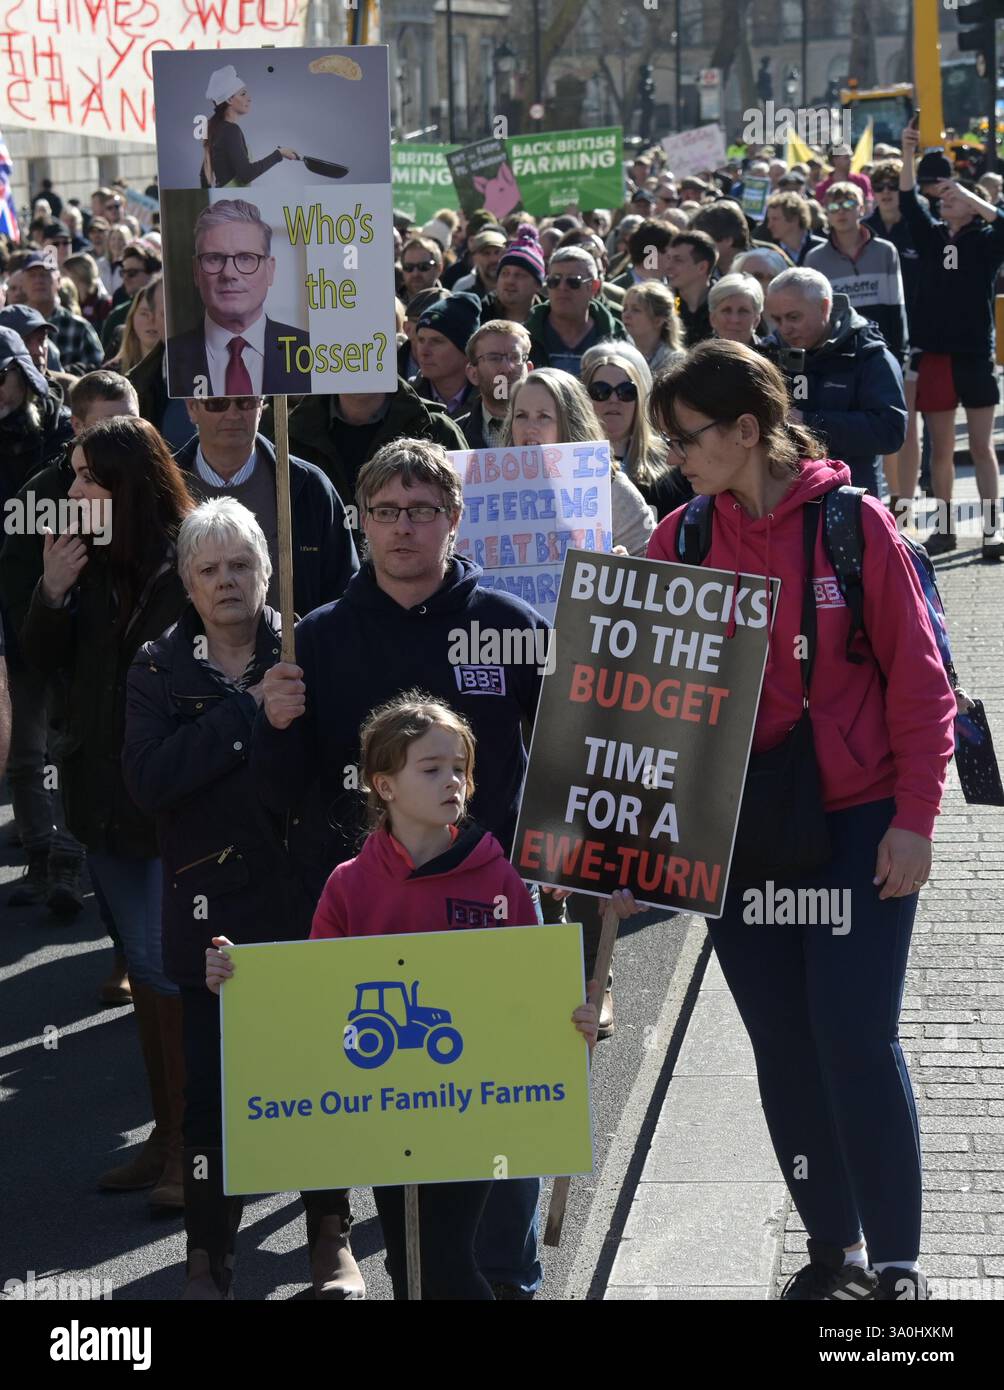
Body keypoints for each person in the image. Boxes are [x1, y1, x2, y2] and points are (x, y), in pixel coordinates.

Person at [647, 339, 956, 1301]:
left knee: (854, 1038)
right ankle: (839, 1253)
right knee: (782, 1046)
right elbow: (637, 695)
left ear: (748, 431)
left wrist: (915, 819)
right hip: (739, 835)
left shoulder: (853, 525)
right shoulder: (683, 537)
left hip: (860, 826)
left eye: (687, 438)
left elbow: (922, 686)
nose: (675, 459)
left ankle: (898, 1267)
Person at [251, 437, 553, 1298]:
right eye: (385, 512)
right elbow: (277, 795)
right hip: (374, 916)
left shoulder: (509, 624)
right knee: (405, 1152)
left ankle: (513, 1283)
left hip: (491, 904)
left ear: (454, 520)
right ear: (361, 523)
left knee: (510, 1118)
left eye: (423, 510)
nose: (403, 529)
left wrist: (567, 859)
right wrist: (270, 723)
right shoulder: (317, 638)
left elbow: (568, 756)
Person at [211, 690, 598, 1299]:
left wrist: (571, 1015)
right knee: (408, 1270)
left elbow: (538, 989)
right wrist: (239, 979)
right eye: (432, 768)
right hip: (386, 1117)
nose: (454, 782)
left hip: (474, 1110)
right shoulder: (348, 886)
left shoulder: (499, 878)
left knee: (443, 1263)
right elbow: (314, 996)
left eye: (461, 770)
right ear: (384, 785)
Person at [123, 497, 362, 1300]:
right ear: (187, 585)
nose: (226, 581)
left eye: (241, 566)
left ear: (268, 573)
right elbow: (149, 781)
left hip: (307, 898)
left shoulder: (312, 647)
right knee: (211, 1098)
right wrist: (244, 713)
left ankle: (330, 1238)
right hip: (210, 909)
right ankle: (206, 1256)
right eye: (208, 569)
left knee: (319, 1078)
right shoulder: (157, 668)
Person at [19, 416, 195, 1207]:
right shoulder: (79, 559)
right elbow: (39, 663)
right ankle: (168, 1136)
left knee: (167, 970)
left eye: (91, 476)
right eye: (75, 473)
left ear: (131, 484)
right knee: (151, 974)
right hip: (101, 804)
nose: (75, 489)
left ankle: (191, 1151)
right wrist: (51, 591)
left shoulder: (191, 554)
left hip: (172, 803)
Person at [0, 371, 138, 941]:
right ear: (77, 427)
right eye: (105, 427)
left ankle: (80, 865)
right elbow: (16, 582)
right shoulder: (41, 494)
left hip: (115, 662)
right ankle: (47, 857)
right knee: (35, 757)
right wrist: (43, 626)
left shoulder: (152, 481)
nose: (118, 440)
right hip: (45, 651)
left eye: (130, 424)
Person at [899, 123, 1004, 559]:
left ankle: (993, 530)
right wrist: (908, 153)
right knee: (941, 448)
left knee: (980, 445)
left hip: (975, 353)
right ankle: (943, 528)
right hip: (936, 353)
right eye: (942, 199)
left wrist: (972, 196)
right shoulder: (932, 236)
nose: (945, 202)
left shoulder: (985, 240)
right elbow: (907, 201)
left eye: (952, 198)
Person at [177, 394, 359, 614]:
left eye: (246, 401)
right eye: (217, 403)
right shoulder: (161, 487)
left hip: (298, 647)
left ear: (261, 406)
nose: (233, 414)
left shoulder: (308, 486)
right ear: (191, 407)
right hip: (191, 647)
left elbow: (344, 592)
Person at [764, 266, 906, 496]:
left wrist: (810, 422)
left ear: (824, 307)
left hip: (849, 497)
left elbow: (890, 431)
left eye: (793, 317)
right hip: (785, 497)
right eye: (777, 319)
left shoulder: (870, 356)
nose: (785, 328)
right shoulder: (770, 353)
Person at [504, 367, 654, 558]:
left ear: (570, 421)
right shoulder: (490, 490)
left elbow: (649, 571)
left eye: (544, 416)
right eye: (521, 416)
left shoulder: (611, 489)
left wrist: (622, 567)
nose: (530, 428)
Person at [166, 199, 309, 396]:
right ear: (195, 271)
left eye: (245, 258)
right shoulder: (168, 358)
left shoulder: (311, 352)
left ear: (270, 270)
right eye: (214, 258)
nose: (229, 273)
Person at [864, 158, 923, 519]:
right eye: (880, 187)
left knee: (908, 423)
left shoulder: (919, 228)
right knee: (879, 424)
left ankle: (905, 507)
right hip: (869, 345)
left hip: (912, 340)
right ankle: (885, 506)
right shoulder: (864, 229)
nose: (887, 193)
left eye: (893, 186)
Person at [805, 181, 908, 367]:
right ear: (826, 213)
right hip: (837, 354)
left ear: (862, 209)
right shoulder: (815, 258)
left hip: (881, 348)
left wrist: (900, 353)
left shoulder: (885, 250)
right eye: (834, 207)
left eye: (848, 205)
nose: (841, 212)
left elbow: (896, 304)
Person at [580, 344, 684, 520]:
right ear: (585, 398)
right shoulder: (567, 462)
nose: (613, 399)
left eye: (626, 392)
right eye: (601, 391)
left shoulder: (671, 463)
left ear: (640, 399)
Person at [524, 246, 626, 376]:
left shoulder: (617, 339)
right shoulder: (524, 337)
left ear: (594, 287)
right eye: (554, 280)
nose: (562, 287)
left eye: (573, 281)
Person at [200, 64, 301, 188]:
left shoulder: (217, 129)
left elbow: (204, 175)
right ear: (229, 100)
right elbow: (246, 174)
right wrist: (279, 154)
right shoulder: (230, 131)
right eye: (243, 94)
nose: (249, 98)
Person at [21, 252, 104, 375]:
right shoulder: (12, 325)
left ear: (59, 281)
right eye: (32, 275)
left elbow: (98, 373)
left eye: (44, 275)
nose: (38, 280)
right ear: (23, 284)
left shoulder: (80, 327)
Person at [457, 319, 532, 449]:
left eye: (515, 357)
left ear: (529, 370)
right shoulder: (455, 434)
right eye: (494, 358)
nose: (507, 368)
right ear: (473, 374)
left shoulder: (555, 428)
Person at [410, 292, 481, 418]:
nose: (424, 351)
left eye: (436, 341)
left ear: (466, 349)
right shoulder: (406, 397)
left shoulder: (492, 398)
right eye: (421, 340)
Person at [484, 226, 545, 325]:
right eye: (505, 273)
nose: (510, 281)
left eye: (519, 275)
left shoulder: (551, 320)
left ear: (538, 285)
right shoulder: (479, 315)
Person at [666, 231, 717, 346]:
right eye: (668, 258)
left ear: (702, 267)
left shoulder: (725, 303)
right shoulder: (665, 304)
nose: (668, 266)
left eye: (678, 260)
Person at [621, 280, 683, 376]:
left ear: (658, 320)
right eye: (625, 309)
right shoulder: (619, 354)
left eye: (636, 310)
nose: (626, 315)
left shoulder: (676, 363)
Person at [107, 274, 164, 376]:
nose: (151, 320)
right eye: (144, 313)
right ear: (132, 318)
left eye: (159, 313)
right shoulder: (112, 370)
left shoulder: (175, 371)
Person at [764, 191, 826, 265]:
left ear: (794, 219)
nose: (769, 225)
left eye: (775, 219)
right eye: (769, 219)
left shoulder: (824, 250)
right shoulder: (769, 253)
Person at [610, 219, 674, 288]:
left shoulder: (676, 289)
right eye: (669, 255)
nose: (674, 260)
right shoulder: (615, 290)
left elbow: (678, 299)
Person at [708, 272, 766, 347]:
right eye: (727, 311)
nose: (734, 320)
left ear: (756, 320)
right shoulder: (700, 357)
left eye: (743, 311)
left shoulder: (772, 357)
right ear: (713, 318)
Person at [451, 227, 505, 301]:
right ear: (475, 258)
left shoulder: (514, 287)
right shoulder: (462, 288)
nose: (493, 259)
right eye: (486, 253)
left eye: (497, 252)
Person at [64, 253, 113, 331]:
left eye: (66, 274)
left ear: (79, 275)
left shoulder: (105, 304)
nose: (64, 280)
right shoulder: (67, 302)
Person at [816, 143, 873, 207]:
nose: (851, 160)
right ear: (835, 160)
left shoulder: (862, 180)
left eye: (851, 156)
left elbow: (868, 205)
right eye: (846, 157)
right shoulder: (822, 187)